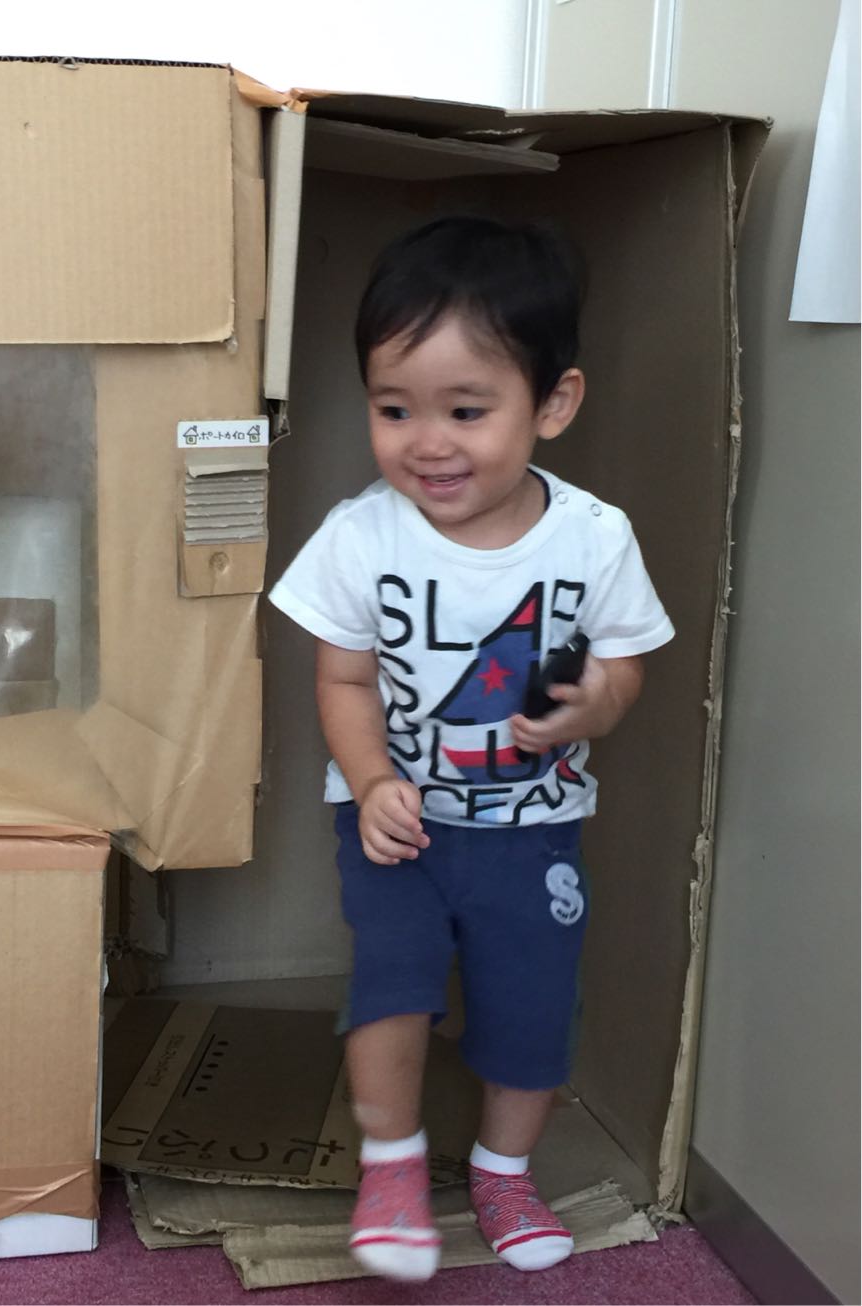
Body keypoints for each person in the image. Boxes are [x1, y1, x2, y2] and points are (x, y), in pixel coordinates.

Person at [268, 215, 674, 1282]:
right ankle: (392, 1169)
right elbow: (341, 680)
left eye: (465, 410)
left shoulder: (593, 538)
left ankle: (503, 1174)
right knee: (392, 979)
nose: (427, 442)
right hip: (395, 820)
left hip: (531, 828)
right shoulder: (360, 535)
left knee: (530, 1007)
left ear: (553, 404)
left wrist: (590, 709)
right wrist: (369, 782)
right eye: (392, 408)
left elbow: (625, 667)